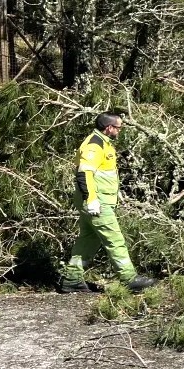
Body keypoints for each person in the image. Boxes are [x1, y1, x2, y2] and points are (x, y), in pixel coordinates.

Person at [58, 113, 156, 293]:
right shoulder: (94, 145)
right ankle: (129, 278)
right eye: (118, 127)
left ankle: (71, 279)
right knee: (115, 240)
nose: (120, 131)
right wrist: (91, 199)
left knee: (87, 242)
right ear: (109, 128)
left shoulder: (103, 143)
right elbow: (84, 174)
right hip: (97, 203)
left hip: (100, 202)